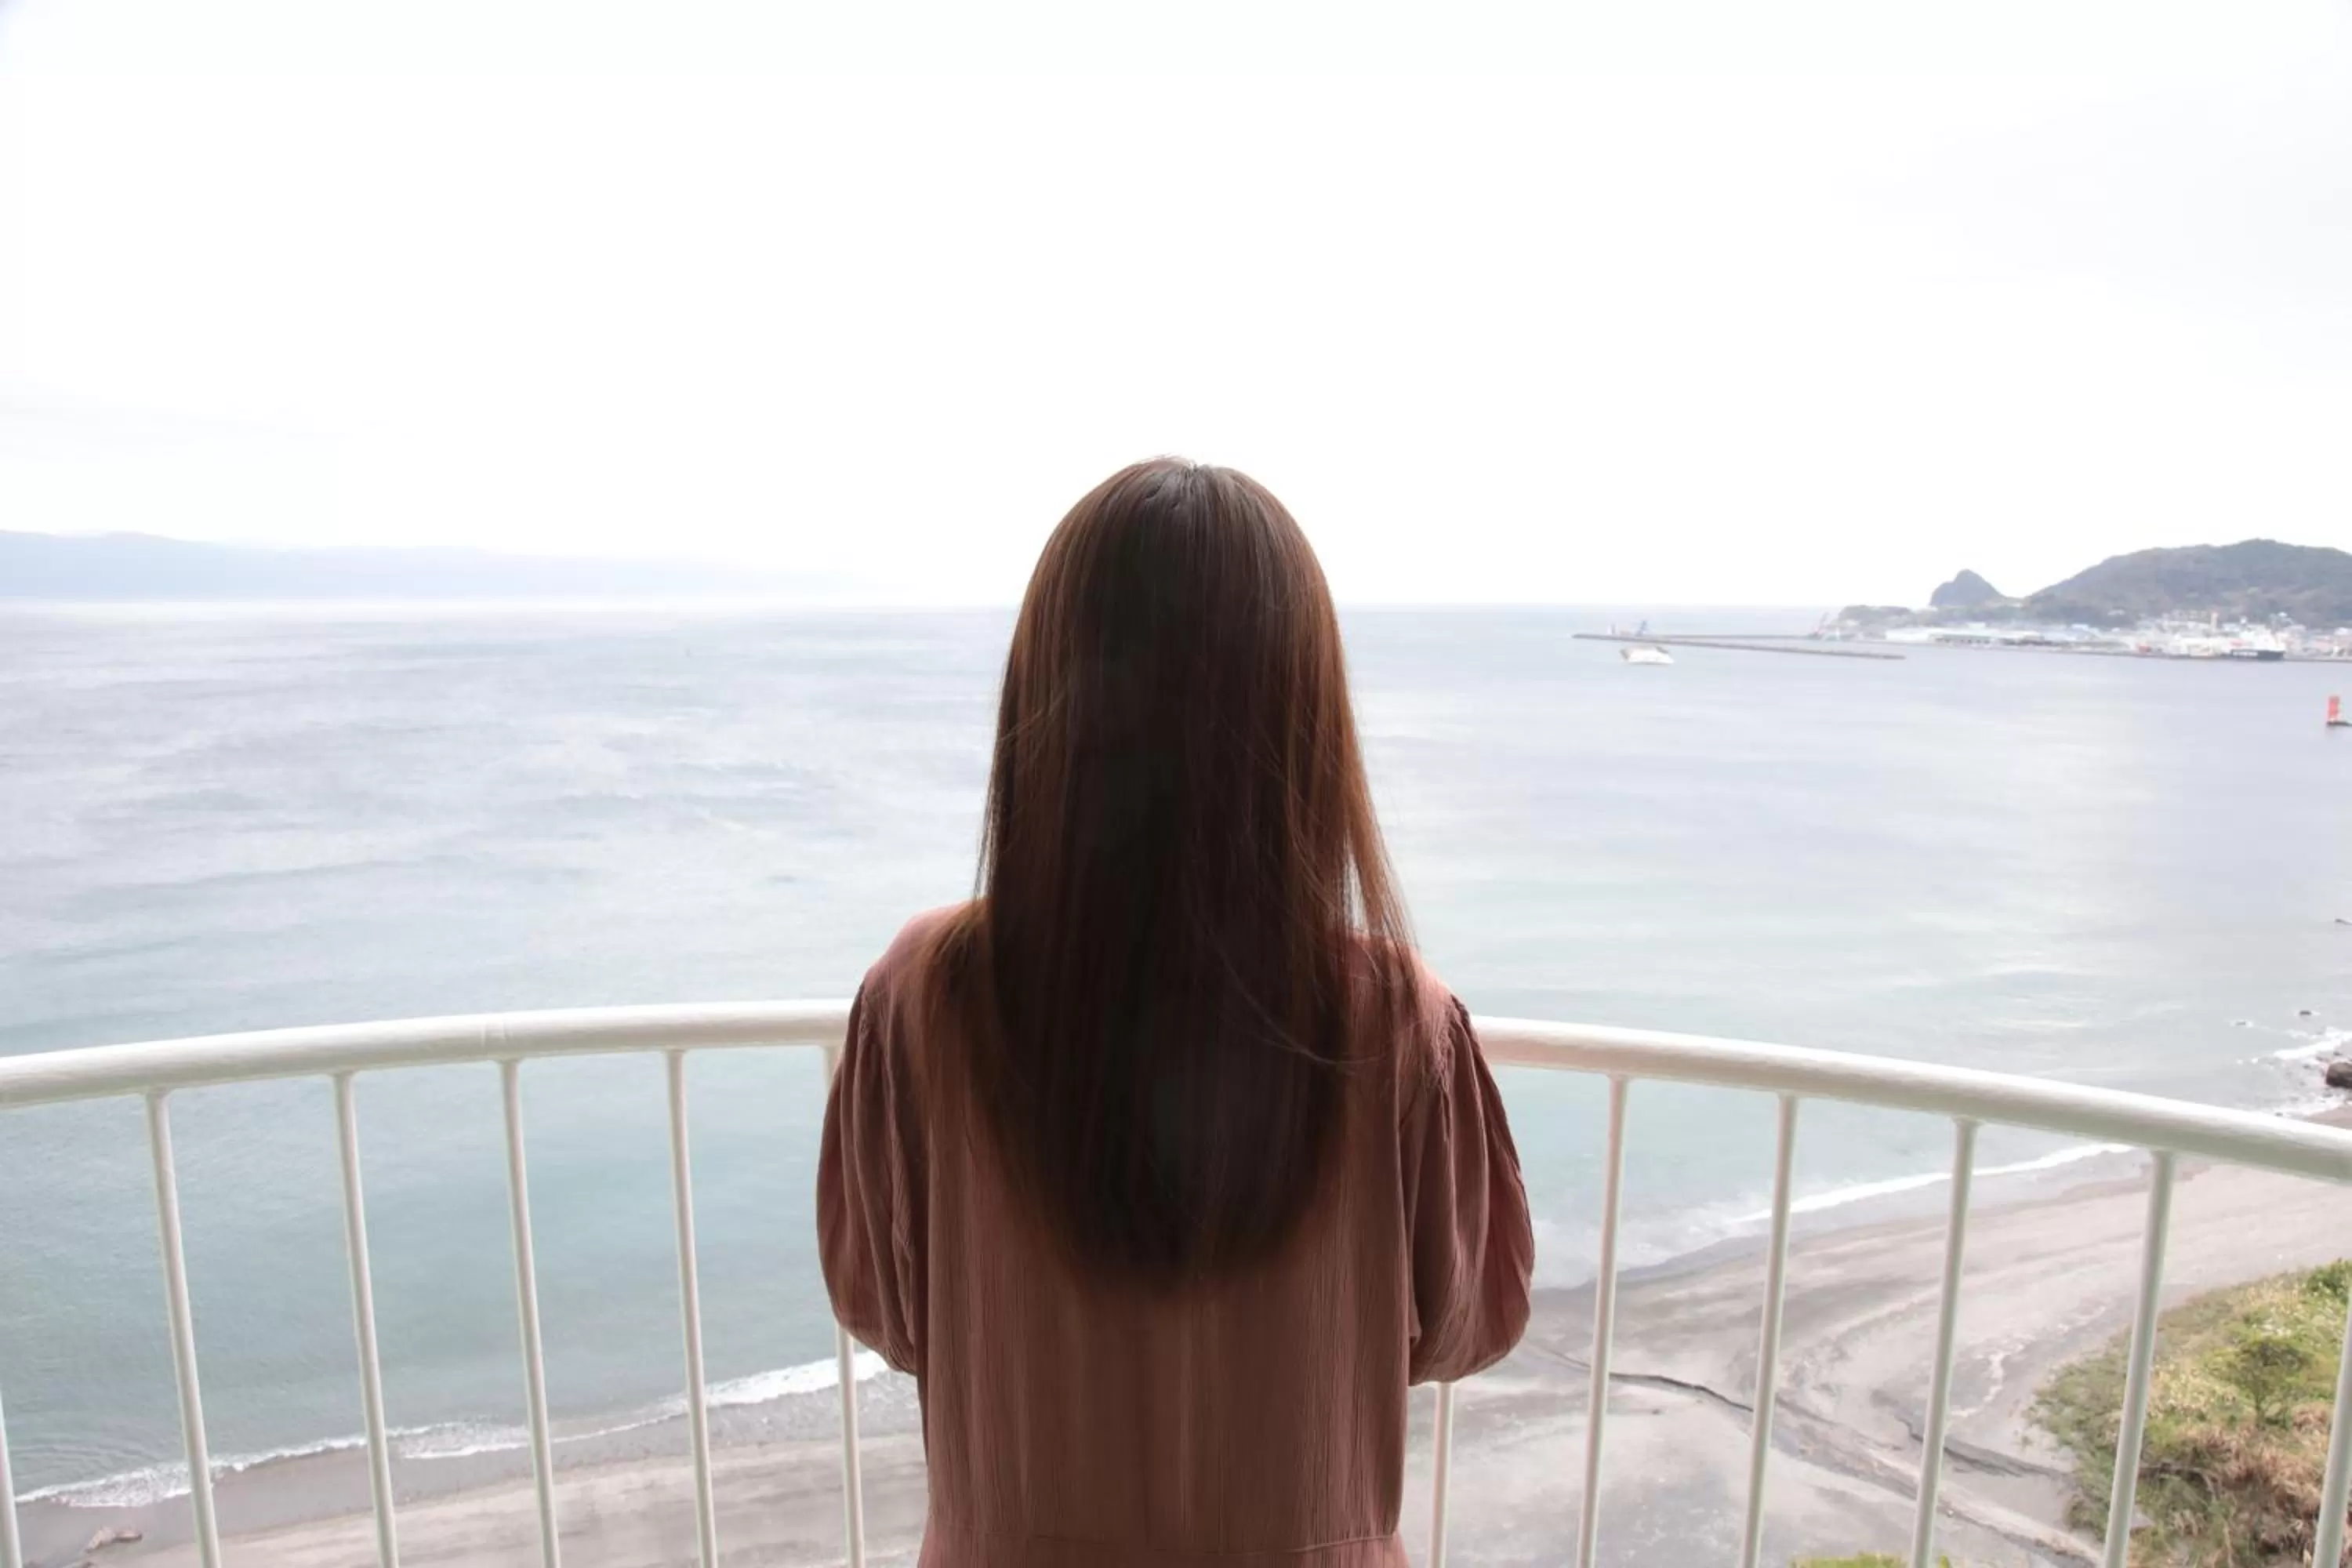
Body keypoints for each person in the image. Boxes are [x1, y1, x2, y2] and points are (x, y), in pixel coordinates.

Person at [819, 457, 1534, 1567]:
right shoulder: (1400, 1020)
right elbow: (1461, 1328)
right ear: (1304, 719)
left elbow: (887, 1311)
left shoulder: (923, 996)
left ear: (1046, 702)